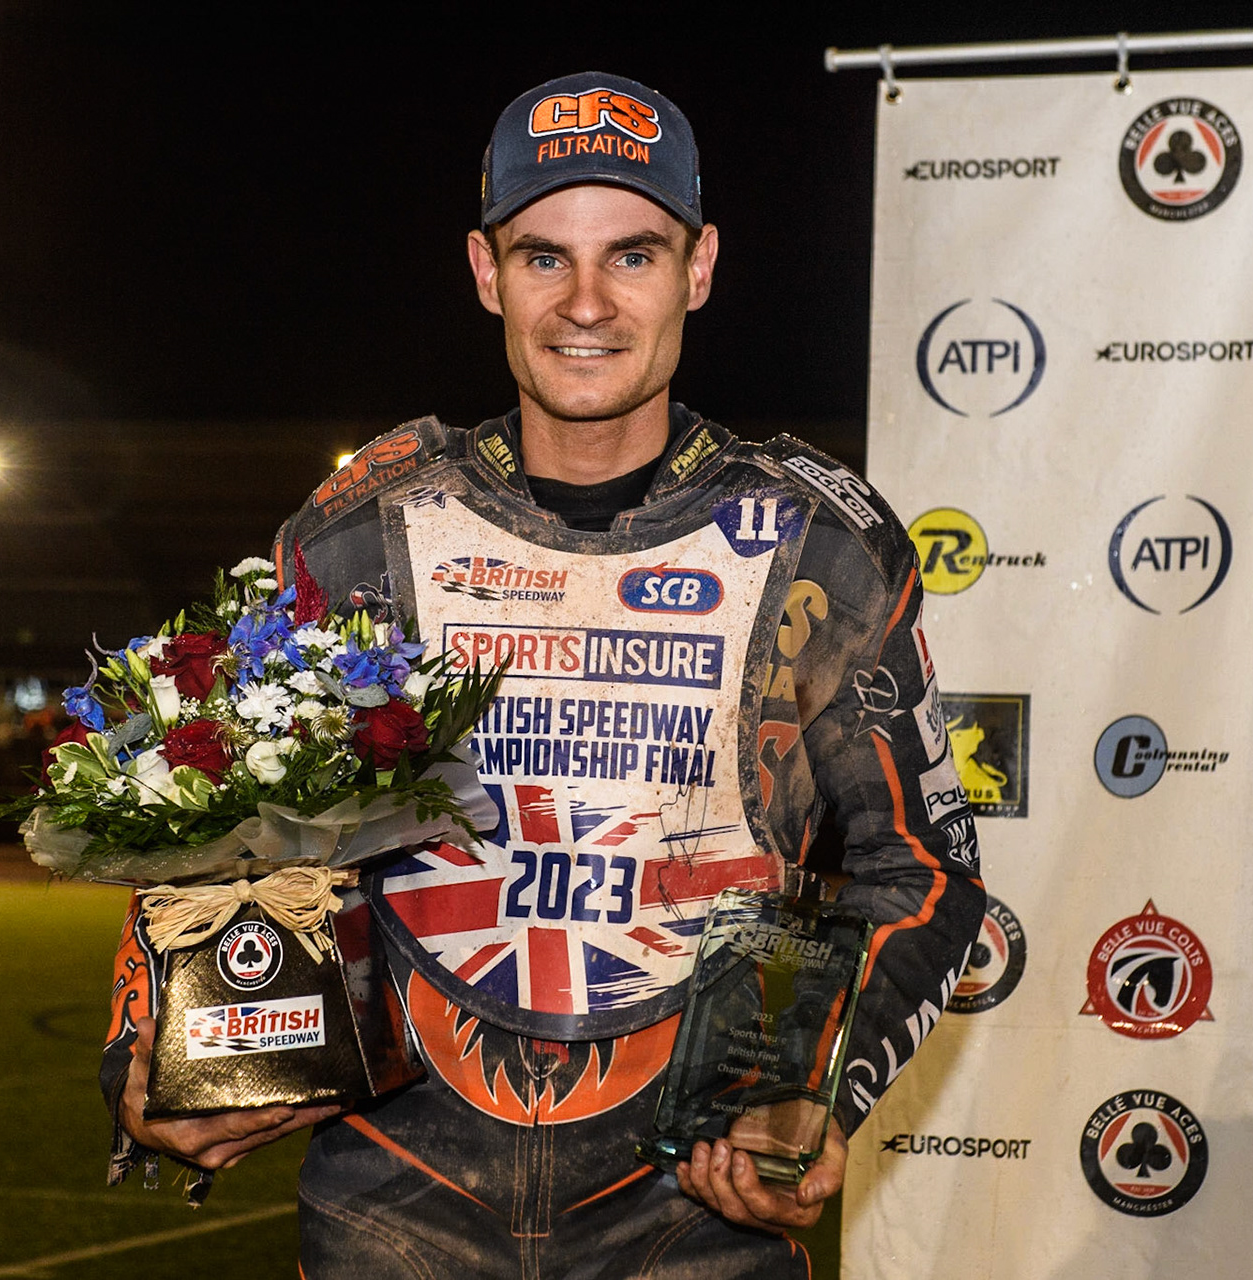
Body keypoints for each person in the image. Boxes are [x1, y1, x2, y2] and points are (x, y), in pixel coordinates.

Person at [99, 71, 985, 1276]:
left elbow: (921, 866)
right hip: (393, 1206)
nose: (586, 302)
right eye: (540, 256)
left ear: (700, 265)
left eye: (632, 254)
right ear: (484, 270)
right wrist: (157, 1053)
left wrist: (815, 1084)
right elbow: (231, 828)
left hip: (691, 1210)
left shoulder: (818, 540)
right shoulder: (362, 529)